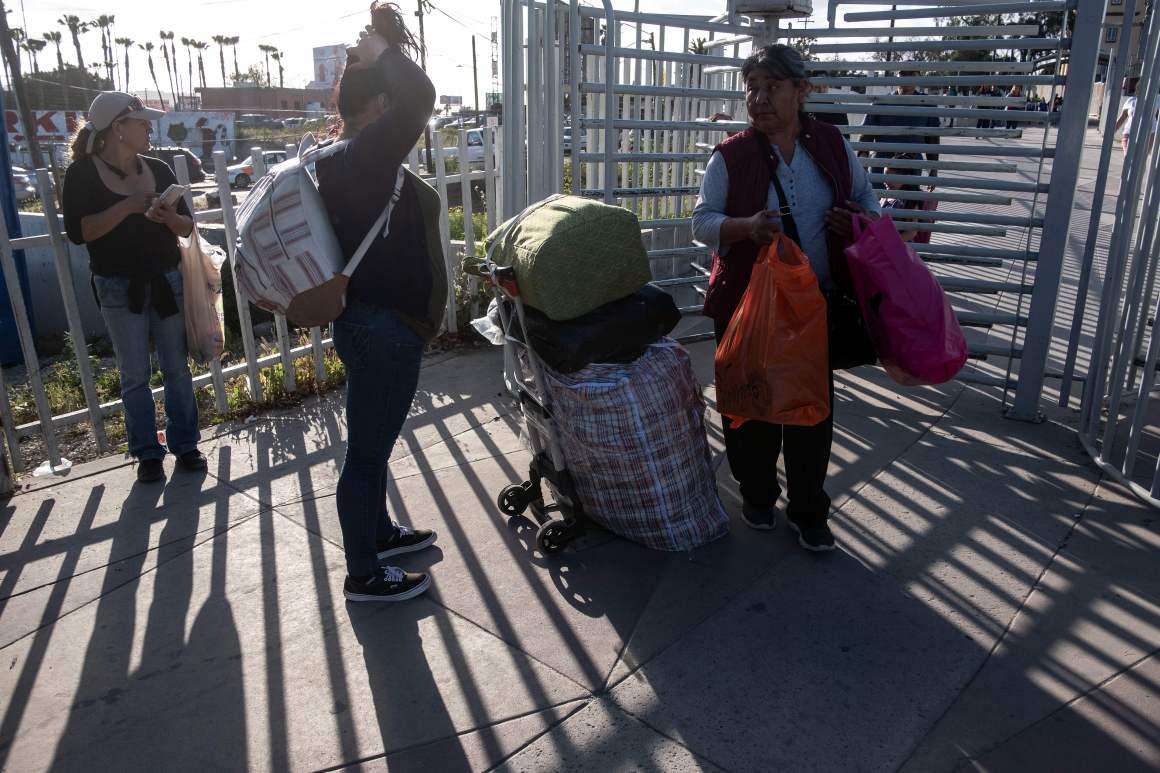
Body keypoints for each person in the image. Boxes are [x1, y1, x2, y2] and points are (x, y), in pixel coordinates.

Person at [692, 44, 881, 553]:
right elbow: (701, 222)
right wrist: (744, 226)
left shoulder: (833, 145)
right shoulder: (730, 154)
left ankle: (807, 510)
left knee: (809, 412)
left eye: (772, 86)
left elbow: (868, 201)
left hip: (812, 306)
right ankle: (756, 495)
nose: (759, 98)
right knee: (750, 409)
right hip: (746, 307)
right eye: (751, 87)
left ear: (802, 91)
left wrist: (859, 221)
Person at [316, 2, 448, 603]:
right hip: (384, 328)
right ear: (377, 107)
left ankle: (379, 535)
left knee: (369, 444)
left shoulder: (337, 159)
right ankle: (364, 573)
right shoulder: (367, 155)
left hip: (364, 322)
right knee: (367, 456)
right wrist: (379, 55)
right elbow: (420, 95)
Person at [62, 91, 207, 484]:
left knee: (177, 369)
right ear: (116, 129)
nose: (149, 128)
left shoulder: (159, 169)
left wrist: (166, 218)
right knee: (134, 375)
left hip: (167, 280)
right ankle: (147, 453)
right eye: (141, 122)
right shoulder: (82, 174)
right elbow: (79, 232)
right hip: (116, 286)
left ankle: (186, 444)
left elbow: (188, 227)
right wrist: (126, 207)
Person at [859, 66, 940, 186]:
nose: (906, 77)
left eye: (912, 74)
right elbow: (866, 135)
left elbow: (932, 140)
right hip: (881, 166)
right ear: (896, 76)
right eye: (902, 73)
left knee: (907, 202)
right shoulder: (880, 103)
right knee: (879, 202)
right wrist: (863, 161)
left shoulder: (928, 105)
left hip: (911, 167)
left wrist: (933, 170)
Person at [879, 153, 937, 244]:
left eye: (891, 178)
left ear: (905, 178)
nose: (886, 182)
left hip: (899, 247)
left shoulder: (910, 199)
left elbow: (911, 232)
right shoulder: (886, 195)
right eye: (884, 177)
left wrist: (890, 244)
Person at [1115, 79, 1158, 160]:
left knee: (1141, 160)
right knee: (1128, 158)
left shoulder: (1156, 100)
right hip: (1129, 134)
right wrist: (1111, 132)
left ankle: (1139, 172)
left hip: (1148, 134)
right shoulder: (1131, 101)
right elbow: (1122, 118)